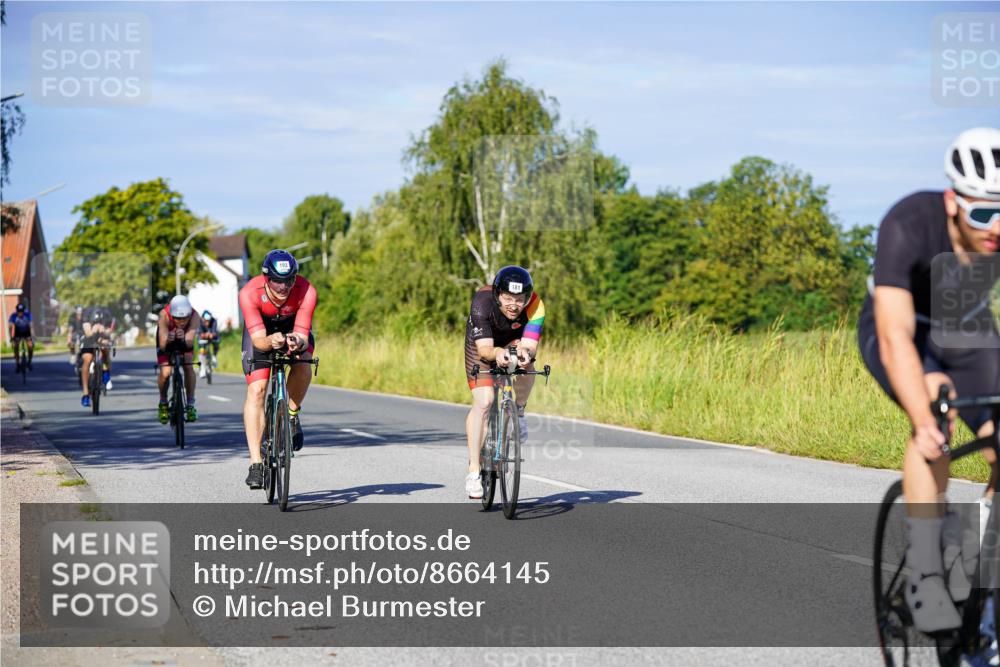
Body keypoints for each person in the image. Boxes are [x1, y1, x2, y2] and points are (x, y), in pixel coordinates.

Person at [858, 127, 1000, 632]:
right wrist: (922, 417)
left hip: (966, 326)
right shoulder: (909, 222)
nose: (995, 229)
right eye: (983, 212)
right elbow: (895, 335)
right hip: (900, 326)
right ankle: (924, 570)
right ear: (952, 201)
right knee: (936, 412)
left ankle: (978, 561)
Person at [463, 265, 546, 499]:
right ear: (497, 294)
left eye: (519, 300)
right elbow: (485, 350)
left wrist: (524, 354)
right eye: (508, 298)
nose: (513, 305)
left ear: (527, 298)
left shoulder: (536, 306)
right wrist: (498, 352)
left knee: (528, 365)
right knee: (485, 401)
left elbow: (530, 345)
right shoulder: (482, 301)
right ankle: (473, 471)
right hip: (482, 346)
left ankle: (518, 413)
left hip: (511, 341)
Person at [239, 249, 316, 490]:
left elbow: (303, 334)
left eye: (288, 281)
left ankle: (291, 416)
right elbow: (259, 340)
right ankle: (256, 463)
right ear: (265, 278)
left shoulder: (307, 291)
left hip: (292, 330)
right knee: (258, 390)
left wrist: (297, 341)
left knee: (304, 365)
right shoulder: (249, 293)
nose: (283, 287)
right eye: (277, 281)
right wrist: (271, 341)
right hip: (261, 335)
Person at [155, 295, 201, 423]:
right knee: (166, 373)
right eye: (177, 319)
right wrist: (168, 338)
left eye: (184, 318)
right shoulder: (163, 315)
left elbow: (190, 342)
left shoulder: (195, 315)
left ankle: (190, 404)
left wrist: (184, 338)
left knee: (188, 365)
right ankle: (163, 403)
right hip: (166, 342)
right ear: (172, 315)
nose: (181, 322)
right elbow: (163, 344)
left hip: (185, 341)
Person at [79, 306, 114, 406]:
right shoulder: (87, 316)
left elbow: (110, 332)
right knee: (87, 359)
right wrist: (93, 330)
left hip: (101, 339)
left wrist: (104, 332)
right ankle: (86, 394)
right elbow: (88, 334)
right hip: (88, 339)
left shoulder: (107, 316)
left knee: (105, 349)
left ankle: (106, 373)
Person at [8, 303, 33, 371]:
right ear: (17, 311)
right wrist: (11, 337)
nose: (20, 313)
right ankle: (17, 363)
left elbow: (31, 326)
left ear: (24, 311)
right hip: (18, 332)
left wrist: (32, 336)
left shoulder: (28, 315)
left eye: (22, 311)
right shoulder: (13, 316)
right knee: (16, 346)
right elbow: (10, 327)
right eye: (19, 311)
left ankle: (29, 361)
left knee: (30, 345)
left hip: (26, 331)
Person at [198, 310, 220, 378]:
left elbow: (214, 332)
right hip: (202, 338)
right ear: (203, 319)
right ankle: (203, 368)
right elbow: (200, 334)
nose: (207, 322)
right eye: (206, 321)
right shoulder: (199, 322)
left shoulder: (214, 321)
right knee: (202, 350)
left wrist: (211, 335)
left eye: (209, 320)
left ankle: (214, 356)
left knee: (216, 342)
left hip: (212, 337)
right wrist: (205, 335)